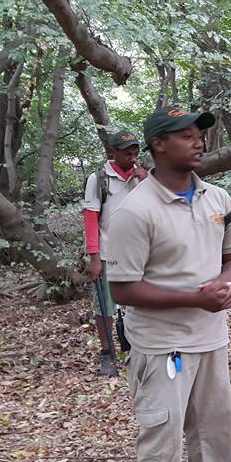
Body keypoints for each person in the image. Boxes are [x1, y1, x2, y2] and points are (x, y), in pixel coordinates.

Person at [107, 106, 231, 462]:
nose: (199, 143)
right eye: (186, 136)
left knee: (215, 431)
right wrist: (195, 300)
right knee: (162, 439)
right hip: (162, 347)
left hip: (211, 339)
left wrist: (224, 283)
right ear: (159, 144)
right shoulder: (136, 211)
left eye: (199, 135)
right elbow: (123, 289)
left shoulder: (216, 197)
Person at [82, 130, 148, 376]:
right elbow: (91, 217)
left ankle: (138, 348)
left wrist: (146, 181)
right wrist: (94, 257)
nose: (133, 158)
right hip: (108, 252)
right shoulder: (99, 179)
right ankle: (107, 353)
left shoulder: (142, 176)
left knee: (140, 303)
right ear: (113, 152)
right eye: (128, 154)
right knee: (105, 307)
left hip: (140, 253)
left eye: (135, 153)